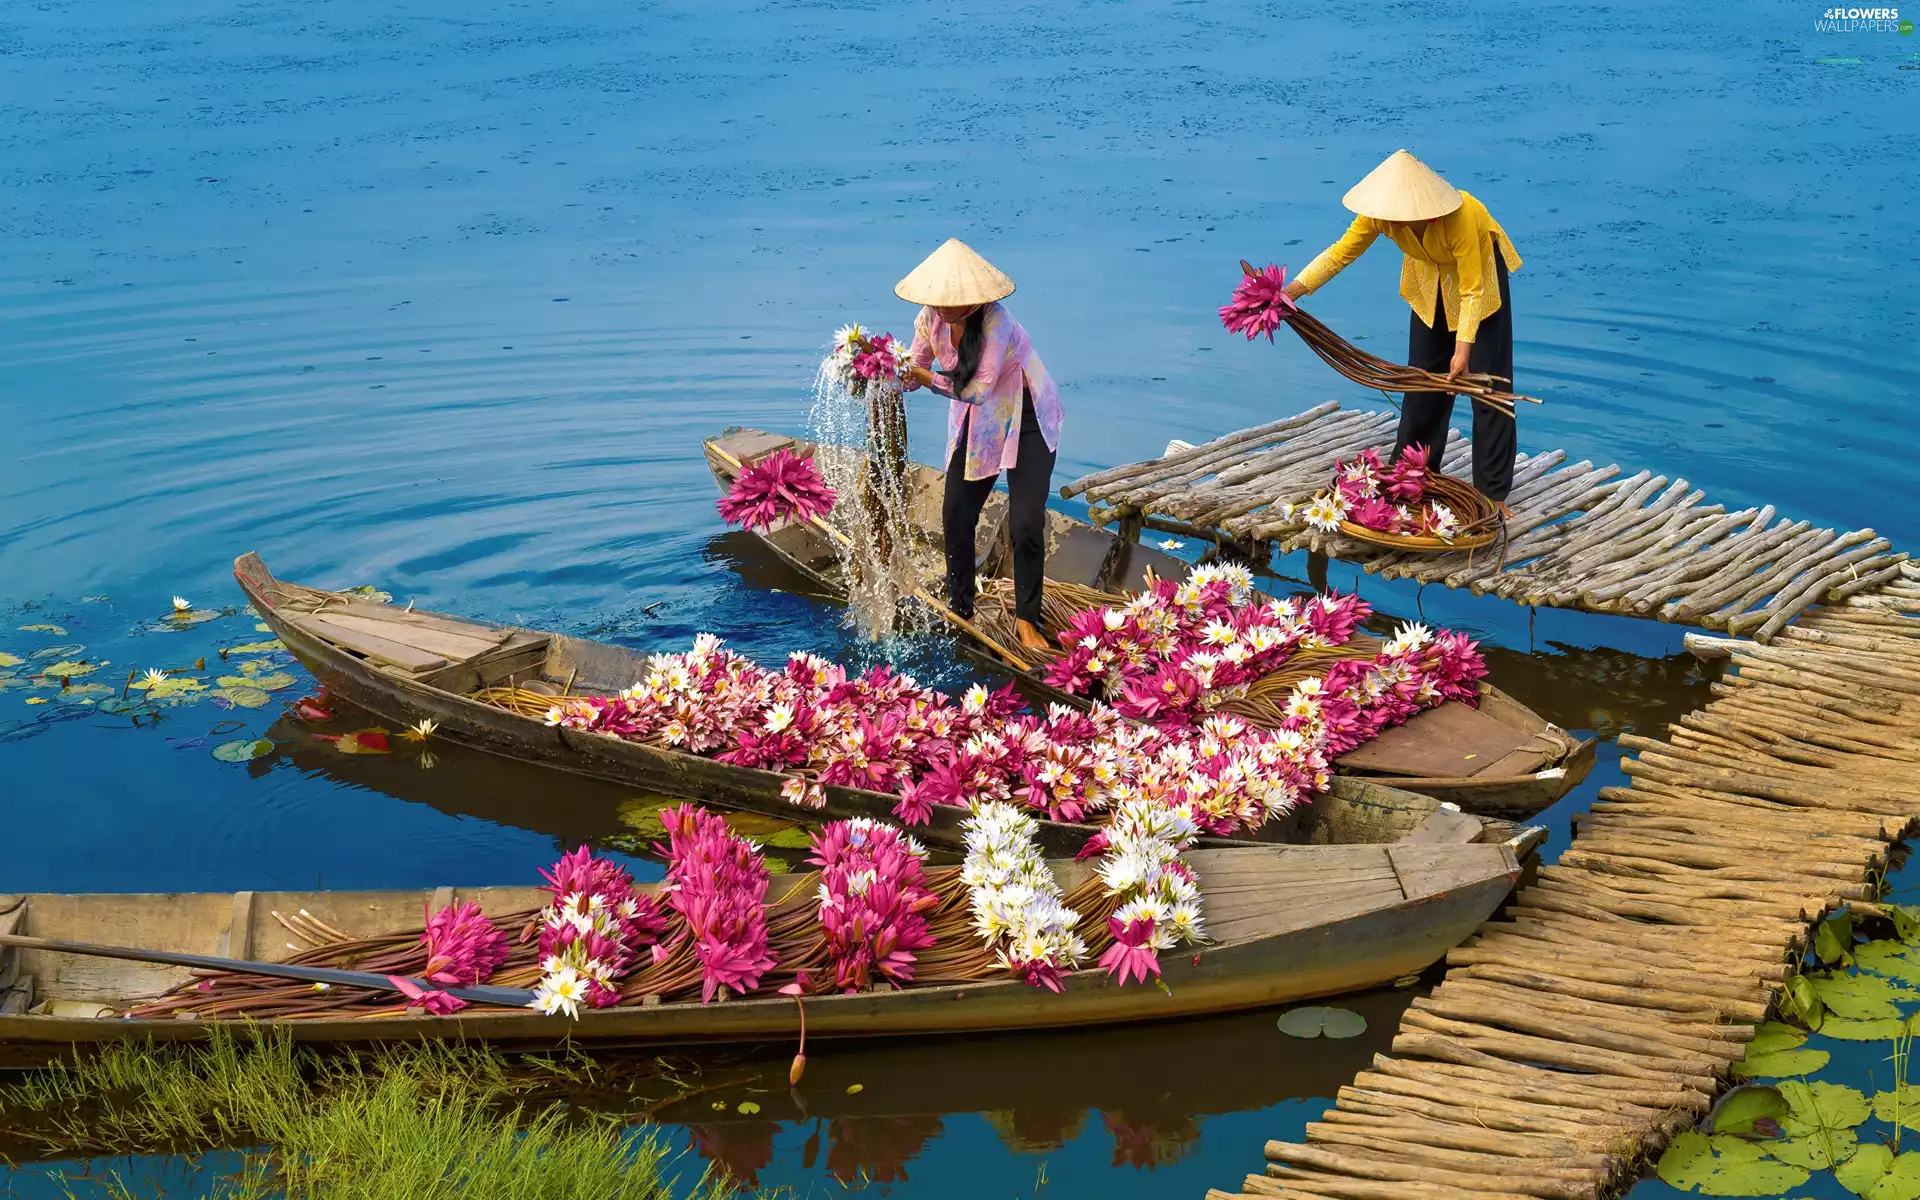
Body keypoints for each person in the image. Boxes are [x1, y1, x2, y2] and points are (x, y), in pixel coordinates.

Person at [1284, 149, 1523, 515]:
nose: (1391, 227)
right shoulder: (1378, 216)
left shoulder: (1463, 215)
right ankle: (1414, 472)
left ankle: (1494, 492)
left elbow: (1472, 290)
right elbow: (1339, 254)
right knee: (1423, 377)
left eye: (1400, 220)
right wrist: (1289, 293)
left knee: (1488, 385)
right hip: (1429, 281)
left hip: (1479, 282)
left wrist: (1463, 349)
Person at [896, 238, 1062, 652]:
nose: (943, 306)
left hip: (1027, 420)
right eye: (938, 299)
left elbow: (978, 389)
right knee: (955, 513)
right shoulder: (929, 319)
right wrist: (882, 366)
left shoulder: (996, 322)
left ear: (972, 299)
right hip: (980, 426)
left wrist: (920, 377)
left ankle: (1028, 622)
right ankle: (962, 610)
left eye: (952, 300)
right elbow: (912, 371)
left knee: (1025, 523)